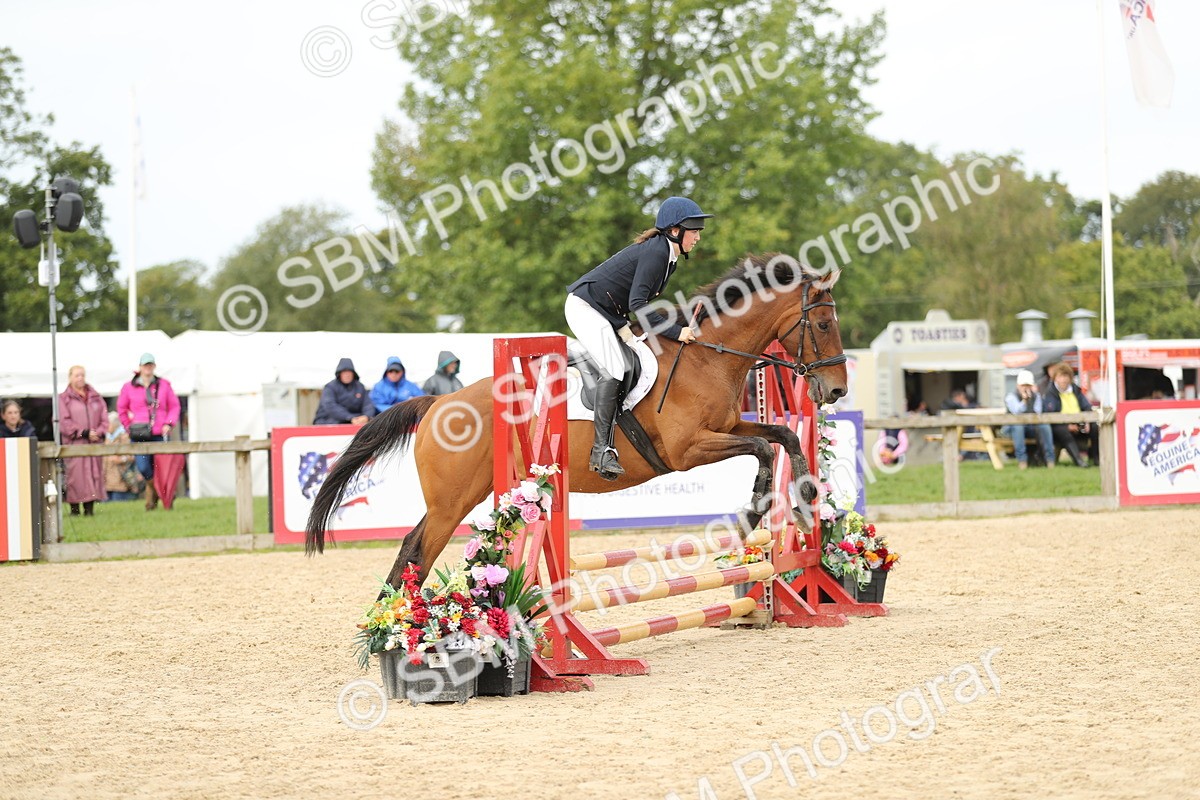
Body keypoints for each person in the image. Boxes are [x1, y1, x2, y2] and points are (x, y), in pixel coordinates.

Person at [564, 195, 713, 479]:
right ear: (675, 231)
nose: (697, 237)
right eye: (693, 230)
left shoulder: (669, 257)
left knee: (634, 360)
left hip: (609, 314)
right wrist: (674, 331)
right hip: (585, 308)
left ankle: (579, 359)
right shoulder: (657, 252)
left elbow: (632, 303)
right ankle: (601, 450)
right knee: (618, 367)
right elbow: (638, 305)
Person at [117, 353, 181, 510]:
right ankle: (161, 493)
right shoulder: (128, 387)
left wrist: (169, 423)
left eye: (150, 364)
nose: (148, 368)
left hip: (159, 432)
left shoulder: (164, 385)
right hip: (139, 433)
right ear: (139, 367)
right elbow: (121, 408)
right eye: (145, 365)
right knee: (144, 468)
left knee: (161, 469)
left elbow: (174, 406)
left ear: (154, 366)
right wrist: (127, 425)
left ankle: (152, 502)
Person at [59, 365, 110, 516]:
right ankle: (75, 510)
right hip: (75, 444)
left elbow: (104, 419)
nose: (80, 378)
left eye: (82, 375)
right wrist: (83, 433)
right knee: (76, 478)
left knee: (94, 475)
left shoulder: (96, 397)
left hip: (94, 444)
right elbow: (63, 422)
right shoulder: (64, 398)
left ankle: (90, 510)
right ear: (70, 378)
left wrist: (97, 432)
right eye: (76, 375)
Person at [1042, 362, 1098, 468]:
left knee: (1095, 426)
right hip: (1060, 426)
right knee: (1062, 430)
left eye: (1066, 376)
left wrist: (1087, 421)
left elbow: (1087, 407)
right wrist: (1068, 425)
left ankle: (1096, 458)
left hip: (1079, 422)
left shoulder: (1076, 390)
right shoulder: (1050, 392)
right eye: (1061, 376)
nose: (1063, 380)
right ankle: (1078, 460)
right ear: (1055, 378)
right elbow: (1050, 414)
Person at [1002, 370, 1055, 470]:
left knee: (1044, 426)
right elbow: (1016, 412)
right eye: (1023, 385)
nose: (1026, 388)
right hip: (1012, 428)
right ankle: (1022, 461)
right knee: (1018, 427)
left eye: (1028, 385)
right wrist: (1024, 401)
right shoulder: (1011, 396)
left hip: (1031, 427)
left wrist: (1031, 398)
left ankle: (1050, 460)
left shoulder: (1036, 396)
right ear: (1018, 385)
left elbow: (1037, 412)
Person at [313, 358, 377, 425]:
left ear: (353, 373)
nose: (347, 375)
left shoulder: (360, 387)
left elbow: (368, 404)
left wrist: (366, 416)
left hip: (355, 422)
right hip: (328, 422)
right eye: (344, 372)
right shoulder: (330, 387)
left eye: (349, 372)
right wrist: (350, 417)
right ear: (339, 373)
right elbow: (330, 406)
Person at [104, 411, 138, 502]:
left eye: (108, 424)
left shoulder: (125, 437)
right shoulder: (106, 438)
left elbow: (132, 455)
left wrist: (121, 459)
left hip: (121, 480)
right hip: (106, 480)